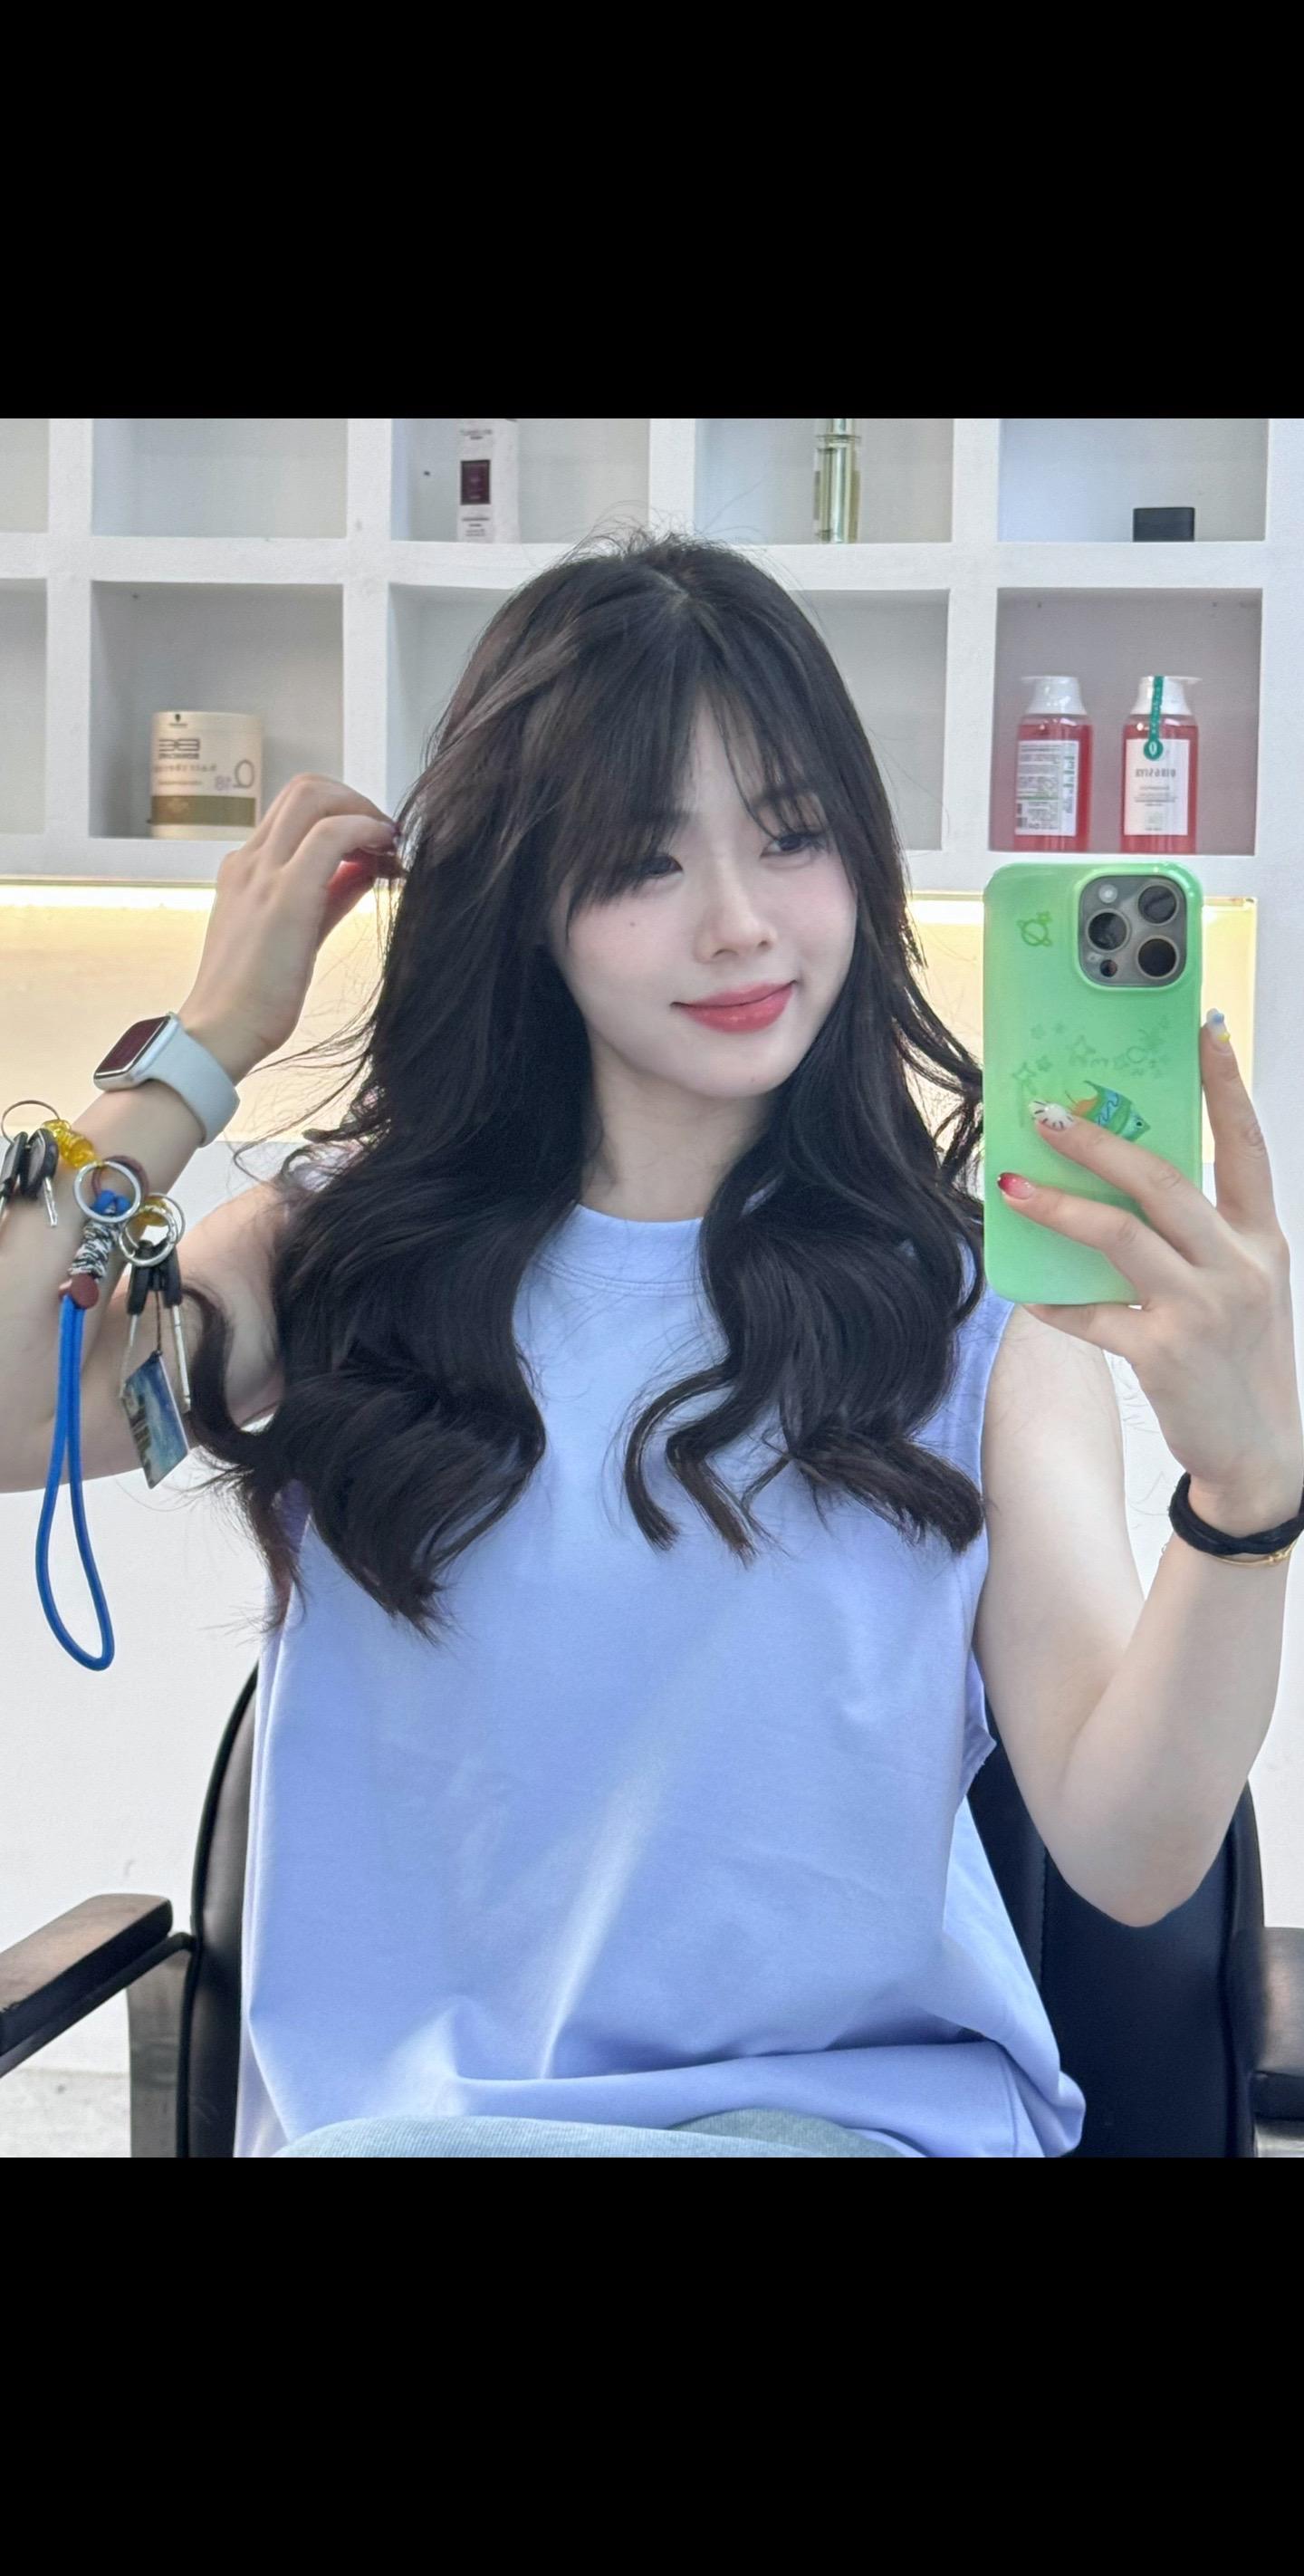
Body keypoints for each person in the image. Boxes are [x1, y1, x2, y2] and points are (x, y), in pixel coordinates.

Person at [0, 529, 1087, 2158]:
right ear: (527, 906)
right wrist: (208, 1040)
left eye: (792, 838)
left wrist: (1247, 1493)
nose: (739, 924)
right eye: (645, 864)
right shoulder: (343, 1259)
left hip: (840, 2128)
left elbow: (1133, 1841)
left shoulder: (972, 1306)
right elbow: (16, 1410)